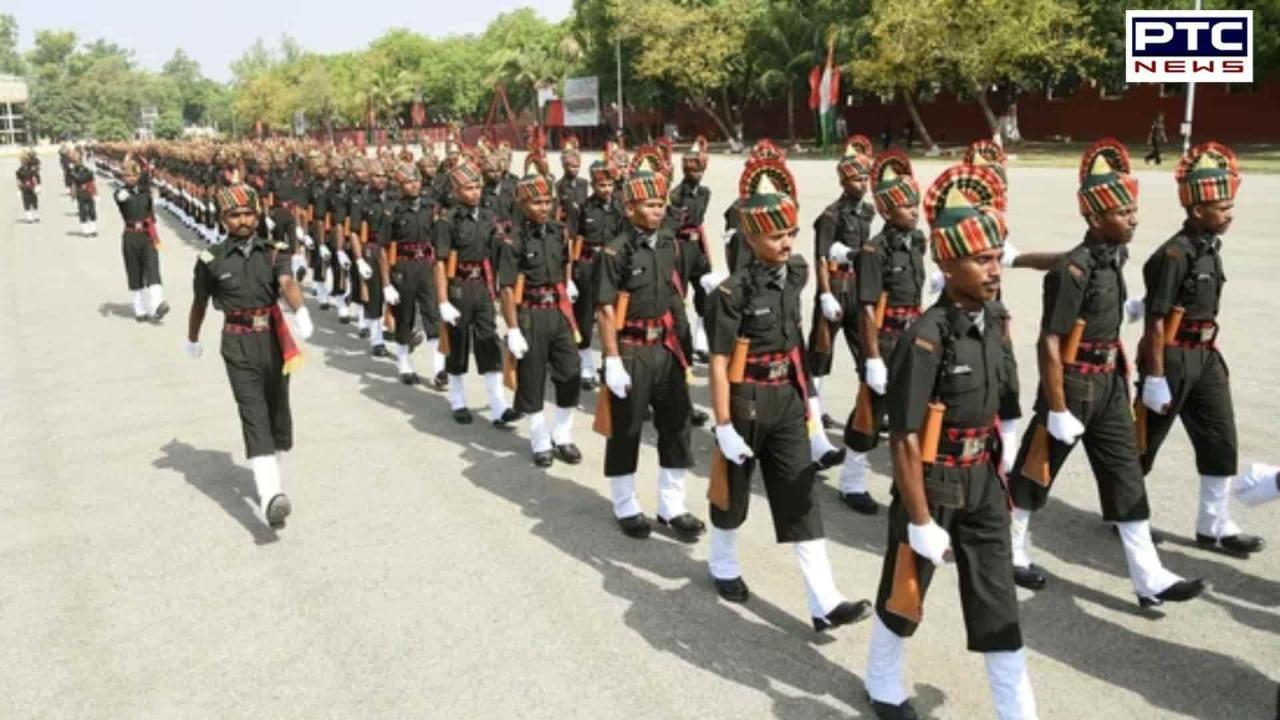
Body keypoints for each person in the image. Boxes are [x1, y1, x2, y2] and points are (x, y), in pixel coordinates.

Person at [864, 164, 1035, 720]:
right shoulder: (925, 337)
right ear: (947, 264)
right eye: (981, 259)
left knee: (997, 599)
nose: (995, 269)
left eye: (997, 257)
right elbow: (904, 437)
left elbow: (1004, 399)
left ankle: (1017, 711)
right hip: (932, 480)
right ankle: (882, 680)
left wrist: (1007, 447)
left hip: (982, 479)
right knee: (906, 589)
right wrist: (919, 519)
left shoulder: (995, 320)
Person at [1007, 139, 1205, 607]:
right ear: (1096, 219)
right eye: (1123, 212)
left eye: (1134, 210)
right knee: (1036, 472)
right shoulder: (1072, 272)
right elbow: (1049, 342)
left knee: (1125, 474)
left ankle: (1148, 576)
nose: (1134, 219)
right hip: (1072, 385)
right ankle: (1010, 550)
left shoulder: (1112, 257)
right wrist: (1057, 408)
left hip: (1110, 384)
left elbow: (1070, 264)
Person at [705, 151, 872, 631]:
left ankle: (824, 601)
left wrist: (810, 406)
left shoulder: (796, 273)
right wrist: (723, 425)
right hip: (747, 401)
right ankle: (722, 564)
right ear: (751, 237)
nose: (786, 242)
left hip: (787, 400)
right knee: (733, 490)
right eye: (776, 234)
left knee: (800, 495)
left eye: (791, 233)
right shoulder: (731, 294)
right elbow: (719, 362)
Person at [1135, 141, 1267, 556]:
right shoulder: (1172, 256)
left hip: (1206, 356)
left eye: (1230, 206)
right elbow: (1156, 319)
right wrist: (1155, 377)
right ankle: (1127, 515)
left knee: (1220, 438)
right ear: (1196, 210)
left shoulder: (1210, 249)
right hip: (1171, 356)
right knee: (1144, 442)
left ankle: (1214, 524)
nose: (1229, 214)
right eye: (1222, 207)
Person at [184, 183, 314, 530]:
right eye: (234, 215)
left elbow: (287, 283)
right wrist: (192, 338)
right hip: (237, 342)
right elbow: (199, 303)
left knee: (277, 414)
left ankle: (273, 482)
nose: (242, 220)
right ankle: (271, 495)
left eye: (247, 214)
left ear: (257, 216)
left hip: (273, 340)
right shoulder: (211, 260)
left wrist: (300, 310)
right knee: (253, 413)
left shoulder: (273, 252)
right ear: (222, 219)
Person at [595, 168, 704, 542]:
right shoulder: (615, 251)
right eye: (650, 204)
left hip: (665, 346)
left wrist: (684, 344)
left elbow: (674, 295)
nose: (658, 210)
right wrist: (611, 359)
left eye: (661, 204)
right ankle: (625, 502)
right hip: (632, 348)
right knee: (627, 427)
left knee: (677, 424)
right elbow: (605, 308)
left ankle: (671, 504)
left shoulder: (669, 243)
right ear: (630, 208)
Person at [831, 149, 927, 515]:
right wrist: (872, 358)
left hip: (914, 336)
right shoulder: (874, 251)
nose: (914, 212)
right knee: (869, 412)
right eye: (906, 206)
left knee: (914, 411)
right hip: (885, 339)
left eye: (916, 205)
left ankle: (905, 482)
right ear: (886, 211)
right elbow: (868, 307)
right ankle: (851, 481)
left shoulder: (917, 242)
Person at [498, 172, 583, 467]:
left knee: (570, 369)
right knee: (532, 376)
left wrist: (568, 284)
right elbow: (507, 288)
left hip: (559, 310)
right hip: (531, 313)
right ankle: (539, 438)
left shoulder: (559, 231)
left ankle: (562, 433)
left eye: (548, 201)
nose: (544, 207)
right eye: (537, 202)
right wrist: (512, 328)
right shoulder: (512, 240)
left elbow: (566, 261)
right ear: (522, 203)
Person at [434, 158, 520, 427]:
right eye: (468, 188)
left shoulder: (488, 216)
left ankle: (498, 406)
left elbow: (498, 248)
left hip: (482, 285)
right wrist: (443, 300)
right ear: (456, 191)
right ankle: (458, 400)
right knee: (458, 344)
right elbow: (440, 262)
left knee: (488, 341)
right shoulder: (447, 220)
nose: (475, 193)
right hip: (459, 285)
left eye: (477, 187)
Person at [808, 135, 876, 430]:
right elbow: (821, 257)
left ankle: (868, 412)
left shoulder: (868, 212)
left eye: (865, 178)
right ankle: (814, 412)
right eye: (857, 179)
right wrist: (825, 294)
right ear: (843, 182)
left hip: (858, 287)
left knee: (866, 351)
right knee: (821, 352)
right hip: (836, 285)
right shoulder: (831, 216)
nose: (863, 184)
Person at [385, 163, 446, 388]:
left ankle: (439, 368)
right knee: (404, 316)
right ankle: (404, 363)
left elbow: (437, 239)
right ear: (400, 185)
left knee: (433, 314)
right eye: (408, 182)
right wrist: (386, 283)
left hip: (426, 265)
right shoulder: (393, 210)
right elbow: (384, 248)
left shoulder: (430, 207)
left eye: (416, 180)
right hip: (403, 266)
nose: (414, 185)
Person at [567, 159, 624, 390]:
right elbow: (573, 240)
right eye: (602, 185)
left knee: (612, 314)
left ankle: (608, 362)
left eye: (610, 185)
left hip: (611, 268)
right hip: (588, 265)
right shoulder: (582, 208)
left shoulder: (620, 208)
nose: (607, 189)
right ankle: (586, 364)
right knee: (585, 314)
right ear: (592, 185)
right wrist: (571, 275)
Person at [113, 160, 170, 323]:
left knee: (153, 267)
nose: (130, 178)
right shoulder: (120, 193)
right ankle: (139, 308)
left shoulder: (145, 193)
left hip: (147, 235)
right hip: (131, 235)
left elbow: (150, 209)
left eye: (133, 175)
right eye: (126, 175)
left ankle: (158, 304)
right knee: (134, 271)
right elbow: (121, 197)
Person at [68, 150, 98, 237]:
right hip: (80, 191)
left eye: (78, 159)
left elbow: (91, 179)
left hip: (88, 190)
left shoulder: (86, 168)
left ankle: (93, 228)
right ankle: (85, 230)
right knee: (82, 210)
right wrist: (73, 193)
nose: (77, 161)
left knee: (92, 210)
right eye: (75, 160)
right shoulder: (73, 171)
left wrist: (95, 193)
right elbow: (75, 182)